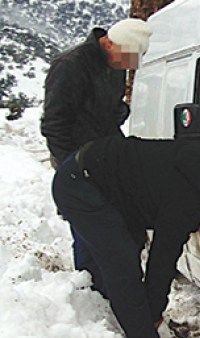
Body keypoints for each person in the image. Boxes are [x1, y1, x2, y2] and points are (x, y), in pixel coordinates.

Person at [51, 135, 200, 338]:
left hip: (103, 183)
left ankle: (105, 311)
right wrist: (153, 314)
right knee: (123, 267)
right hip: (81, 185)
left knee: (125, 254)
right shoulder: (188, 196)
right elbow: (163, 258)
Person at [41, 18, 153, 294]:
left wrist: (118, 116)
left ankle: (116, 291)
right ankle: (91, 296)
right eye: (127, 58)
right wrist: (71, 167)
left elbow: (110, 108)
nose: (129, 66)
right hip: (78, 164)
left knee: (120, 226)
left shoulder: (114, 63)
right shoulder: (71, 66)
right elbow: (54, 123)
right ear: (110, 43)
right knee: (89, 231)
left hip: (108, 158)